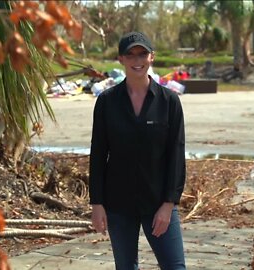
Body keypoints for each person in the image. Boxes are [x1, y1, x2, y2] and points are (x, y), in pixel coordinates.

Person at [89, 31, 186, 270]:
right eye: (130, 55)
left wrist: (169, 204)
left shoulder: (169, 101)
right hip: (118, 203)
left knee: (175, 267)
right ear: (120, 59)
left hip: (158, 202)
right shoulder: (106, 102)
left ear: (152, 57)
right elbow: (98, 154)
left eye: (142, 54)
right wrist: (97, 204)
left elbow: (176, 154)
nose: (137, 60)